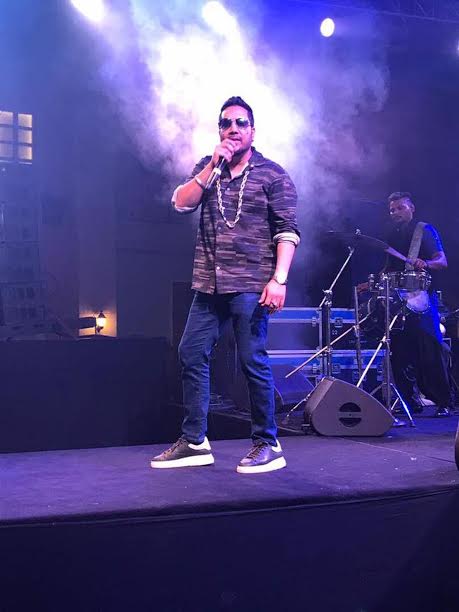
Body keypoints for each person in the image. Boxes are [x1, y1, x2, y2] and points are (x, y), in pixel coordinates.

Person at [151, 96, 300, 473]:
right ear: (219, 130)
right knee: (191, 352)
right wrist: (211, 166)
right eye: (226, 123)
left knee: (251, 360)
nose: (233, 129)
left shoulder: (272, 174)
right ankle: (195, 441)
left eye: (240, 123)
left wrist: (279, 279)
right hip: (208, 285)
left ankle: (268, 442)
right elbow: (180, 203)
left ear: (253, 131)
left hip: (252, 284)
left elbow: (287, 231)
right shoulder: (209, 167)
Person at [384, 192, 452, 416]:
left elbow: (442, 261)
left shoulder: (424, 230)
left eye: (400, 208)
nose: (395, 212)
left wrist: (427, 263)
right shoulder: (392, 236)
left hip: (423, 297)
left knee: (431, 349)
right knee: (398, 350)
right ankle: (409, 400)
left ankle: (443, 401)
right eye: (392, 209)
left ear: (411, 208)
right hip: (399, 300)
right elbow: (389, 268)